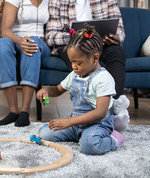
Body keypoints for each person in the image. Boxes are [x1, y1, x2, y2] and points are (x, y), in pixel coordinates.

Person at [45, 0, 130, 131]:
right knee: (77, 55)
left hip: (100, 45)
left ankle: (114, 106)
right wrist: (76, 37)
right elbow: (51, 35)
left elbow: (121, 30)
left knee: (117, 51)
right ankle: (90, 112)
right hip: (72, 46)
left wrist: (116, 38)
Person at [37, 24, 125, 155]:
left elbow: (100, 113)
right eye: (72, 62)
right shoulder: (75, 74)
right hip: (76, 123)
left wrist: (68, 121)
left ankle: (114, 138)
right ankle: (80, 135)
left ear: (95, 58)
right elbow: (57, 90)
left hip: (98, 124)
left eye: (78, 63)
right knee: (44, 133)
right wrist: (46, 91)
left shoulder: (103, 78)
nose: (74, 67)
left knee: (89, 146)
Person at [0, 0, 53, 127]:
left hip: (39, 44)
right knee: (1, 45)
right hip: (15, 39)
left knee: (32, 44)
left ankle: (25, 111)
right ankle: (13, 111)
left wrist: (26, 42)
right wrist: (20, 41)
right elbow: (5, 30)